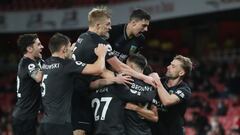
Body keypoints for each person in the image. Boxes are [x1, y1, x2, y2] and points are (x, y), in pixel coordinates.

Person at [72, 7, 154, 135]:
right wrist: (145, 78)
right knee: (80, 130)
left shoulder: (83, 36)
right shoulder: (103, 39)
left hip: (86, 85)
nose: (110, 27)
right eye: (108, 24)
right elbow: (119, 67)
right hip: (82, 87)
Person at [38, 33, 108, 135]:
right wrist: (102, 55)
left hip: (45, 123)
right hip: (60, 125)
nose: (72, 49)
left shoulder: (46, 64)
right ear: (63, 49)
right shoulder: (66, 65)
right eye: (69, 46)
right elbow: (98, 69)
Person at [90, 54, 157, 135]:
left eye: (125, 64)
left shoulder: (123, 81)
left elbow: (155, 117)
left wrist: (135, 108)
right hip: (130, 130)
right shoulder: (151, 86)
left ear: (130, 66)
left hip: (135, 131)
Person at [150, 55, 193, 135]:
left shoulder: (184, 90)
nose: (168, 67)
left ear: (181, 72)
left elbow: (167, 101)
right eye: (170, 64)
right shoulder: (161, 81)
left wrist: (157, 82)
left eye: (173, 66)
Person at [12, 34, 44, 135]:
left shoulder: (28, 62)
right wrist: (46, 63)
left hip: (25, 116)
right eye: (38, 44)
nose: (42, 47)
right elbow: (38, 77)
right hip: (25, 118)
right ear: (29, 48)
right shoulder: (27, 63)